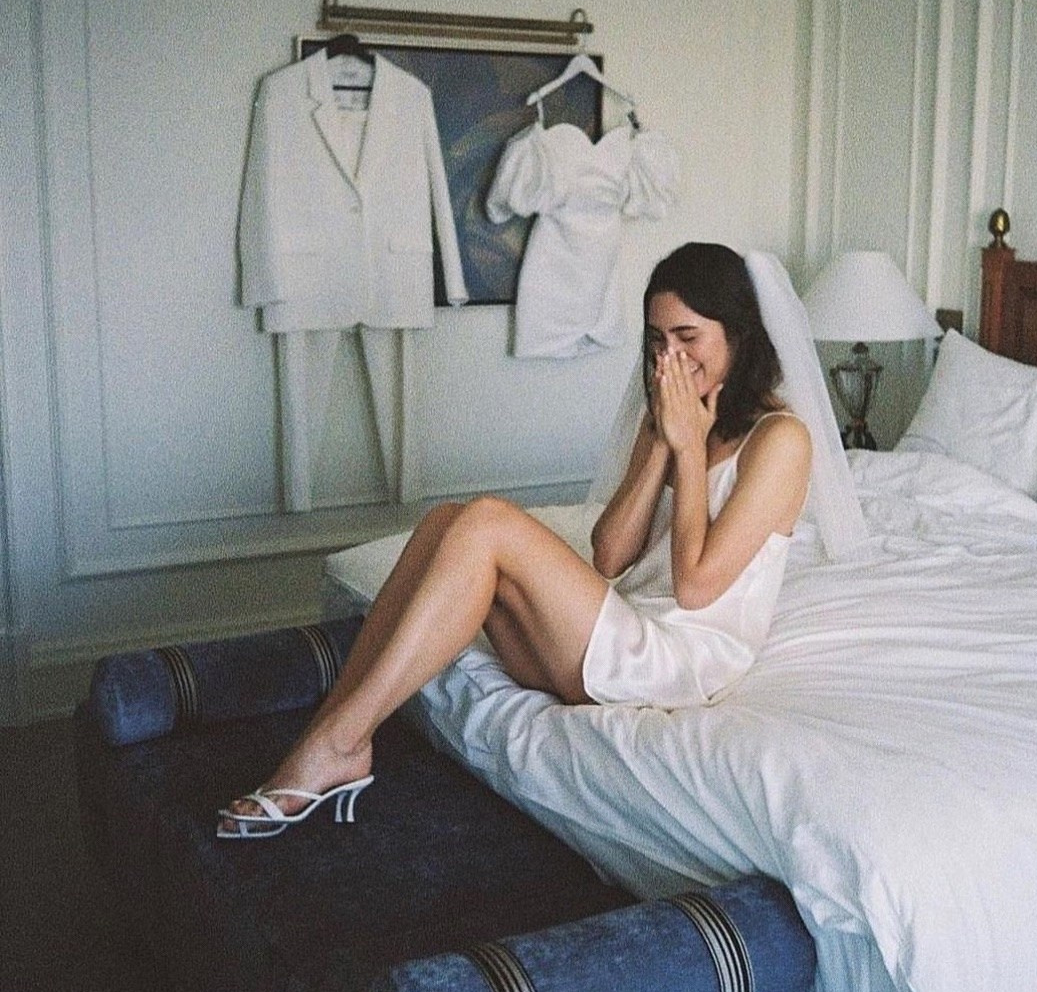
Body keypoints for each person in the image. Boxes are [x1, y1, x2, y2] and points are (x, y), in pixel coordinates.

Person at [217, 243, 862, 839]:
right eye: (657, 340)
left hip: (683, 660)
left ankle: (338, 745)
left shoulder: (781, 440)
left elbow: (695, 588)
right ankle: (337, 731)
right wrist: (662, 444)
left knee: (487, 522)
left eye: (688, 338)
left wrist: (690, 451)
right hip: (627, 628)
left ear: (738, 336)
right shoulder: (672, 413)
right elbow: (611, 555)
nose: (670, 358)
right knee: (445, 523)